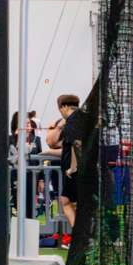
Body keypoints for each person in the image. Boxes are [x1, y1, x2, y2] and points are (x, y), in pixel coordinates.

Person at [46, 94, 81, 230]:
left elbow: (76, 144)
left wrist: (72, 167)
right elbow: (53, 142)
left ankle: (81, 235)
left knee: (68, 201)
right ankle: (81, 235)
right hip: (74, 169)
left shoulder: (72, 122)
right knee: (66, 200)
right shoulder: (76, 121)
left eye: (60, 109)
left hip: (74, 171)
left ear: (64, 107)